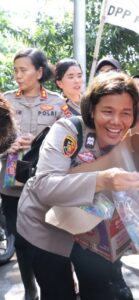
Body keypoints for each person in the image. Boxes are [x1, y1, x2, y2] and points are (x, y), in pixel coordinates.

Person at [16, 72, 139, 300]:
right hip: (44, 230)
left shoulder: (129, 142)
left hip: (90, 236)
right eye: (107, 111)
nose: (116, 121)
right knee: (58, 292)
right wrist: (103, 179)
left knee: (100, 290)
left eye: (125, 113)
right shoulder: (69, 132)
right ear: (92, 110)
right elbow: (44, 186)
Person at [0, 47, 65, 300]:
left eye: (23, 70)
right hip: (10, 185)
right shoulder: (4, 101)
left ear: (39, 72)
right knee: (22, 243)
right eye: (15, 70)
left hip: (44, 186)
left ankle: (52, 288)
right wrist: (8, 148)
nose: (17, 75)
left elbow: (70, 144)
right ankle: (30, 290)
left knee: (49, 241)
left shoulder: (58, 104)